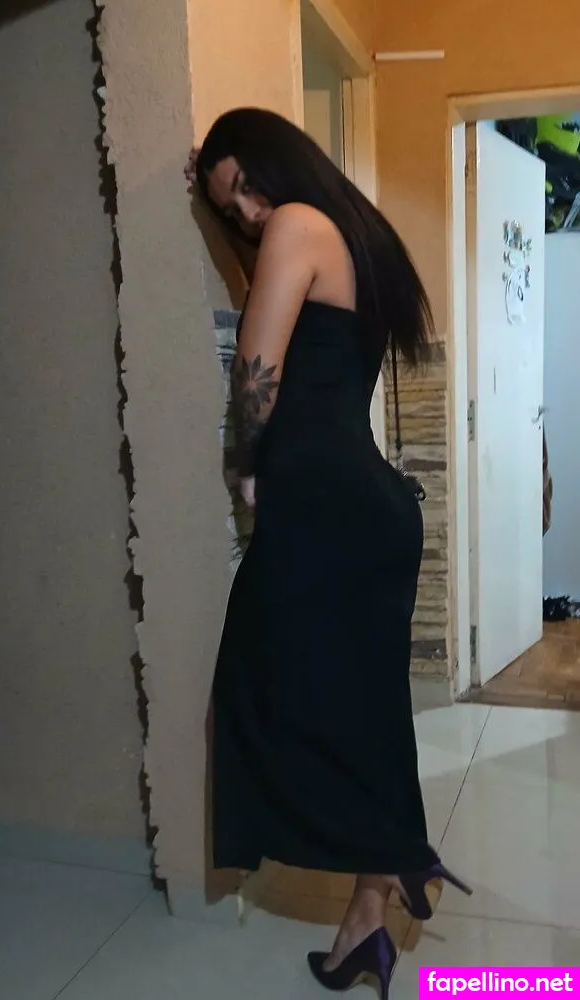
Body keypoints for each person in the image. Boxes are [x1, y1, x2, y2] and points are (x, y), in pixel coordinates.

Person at [185, 107, 471, 998]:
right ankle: (371, 911)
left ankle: (394, 851)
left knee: (254, 694)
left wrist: (245, 467)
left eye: (245, 188)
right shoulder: (349, 233)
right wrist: (221, 208)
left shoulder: (297, 225)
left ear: (276, 162)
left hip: (321, 504)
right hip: (365, 504)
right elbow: (299, 339)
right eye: (230, 206)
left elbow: (257, 372)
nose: (247, 212)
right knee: (363, 707)